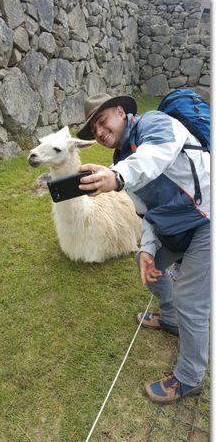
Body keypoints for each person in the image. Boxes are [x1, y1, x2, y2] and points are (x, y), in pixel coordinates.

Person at [76, 93, 210, 404]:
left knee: (190, 299)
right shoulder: (121, 161)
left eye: (101, 120)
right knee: (147, 264)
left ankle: (189, 378)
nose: (98, 131)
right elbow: (146, 213)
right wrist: (149, 250)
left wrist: (117, 177)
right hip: (176, 228)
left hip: (207, 218)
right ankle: (170, 319)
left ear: (121, 112)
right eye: (92, 129)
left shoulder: (157, 123)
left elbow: (156, 155)